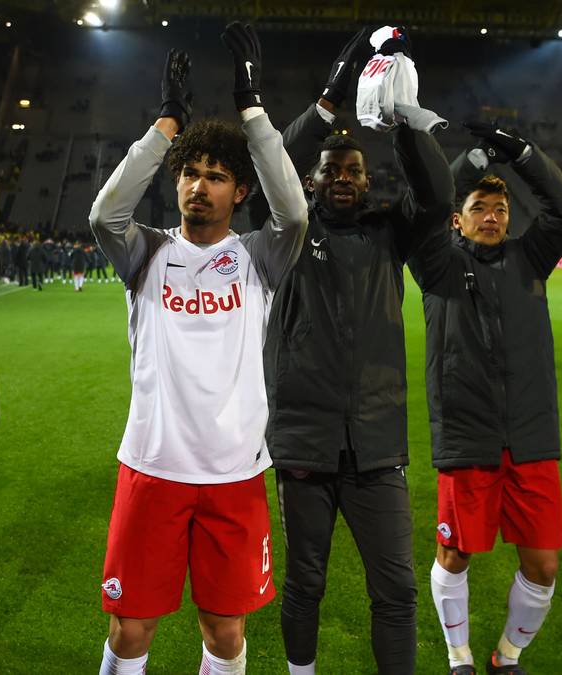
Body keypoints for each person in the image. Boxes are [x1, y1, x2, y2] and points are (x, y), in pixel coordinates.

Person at [89, 25, 308, 675]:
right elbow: (103, 216)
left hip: (233, 474)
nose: (198, 186)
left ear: (240, 191)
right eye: (190, 173)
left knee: (225, 630)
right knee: (130, 628)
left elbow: (295, 214)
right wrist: (167, 124)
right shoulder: (147, 252)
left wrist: (252, 108)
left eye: (216, 176)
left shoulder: (258, 257)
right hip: (152, 466)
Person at [255, 27, 453, 675]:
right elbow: (267, 169)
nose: (342, 177)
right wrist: (329, 103)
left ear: (369, 182)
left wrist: (404, 123)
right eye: (331, 170)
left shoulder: (389, 232)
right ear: (310, 181)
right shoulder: (286, 232)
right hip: (303, 444)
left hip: (377, 446)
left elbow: (439, 196)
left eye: (354, 170)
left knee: (396, 590)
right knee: (305, 583)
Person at [407, 121, 562, 674]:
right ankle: (458, 656)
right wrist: (477, 158)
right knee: (454, 553)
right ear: (457, 219)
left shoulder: (530, 260)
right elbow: (427, 204)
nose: (492, 217)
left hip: (531, 436)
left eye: (500, 210)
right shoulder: (437, 264)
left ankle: (507, 656)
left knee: (544, 565)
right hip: (468, 436)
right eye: (479, 208)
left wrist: (524, 154)